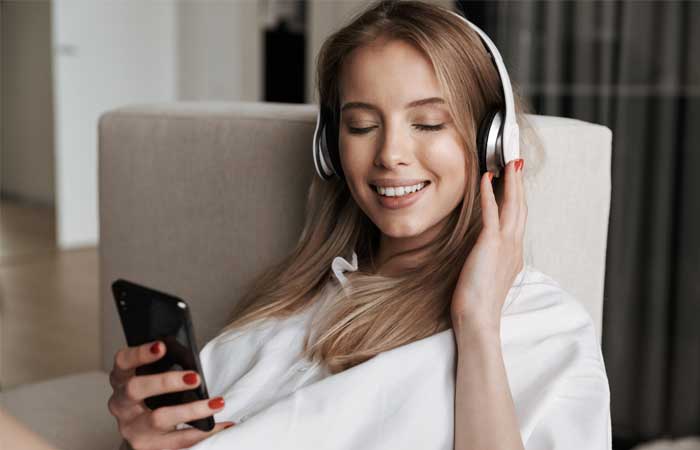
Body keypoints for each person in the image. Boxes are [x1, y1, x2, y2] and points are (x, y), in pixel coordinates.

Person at [107, 1, 612, 449]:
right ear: (330, 147)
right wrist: (145, 436)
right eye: (362, 126)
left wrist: (476, 323)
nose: (390, 154)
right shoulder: (293, 301)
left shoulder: (545, 326)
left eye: (428, 123)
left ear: (493, 143)